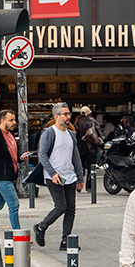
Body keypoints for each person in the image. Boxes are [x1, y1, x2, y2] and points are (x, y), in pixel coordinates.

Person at [33, 102, 84, 251]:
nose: (68, 116)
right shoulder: (49, 133)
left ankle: (65, 241)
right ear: (56, 116)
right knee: (61, 206)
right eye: (65, 114)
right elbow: (41, 155)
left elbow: (76, 158)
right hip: (53, 176)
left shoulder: (71, 134)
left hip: (70, 176)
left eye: (69, 114)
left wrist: (80, 178)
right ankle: (41, 227)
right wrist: (52, 173)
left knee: (71, 208)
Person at [75, 106, 100, 189]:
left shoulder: (77, 122)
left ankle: (79, 184)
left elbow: (75, 136)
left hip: (79, 149)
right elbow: (99, 134)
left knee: (79, 168)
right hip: (91, 149)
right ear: (89, 113)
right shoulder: (93, 121)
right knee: (91, 169)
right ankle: (89, 187)